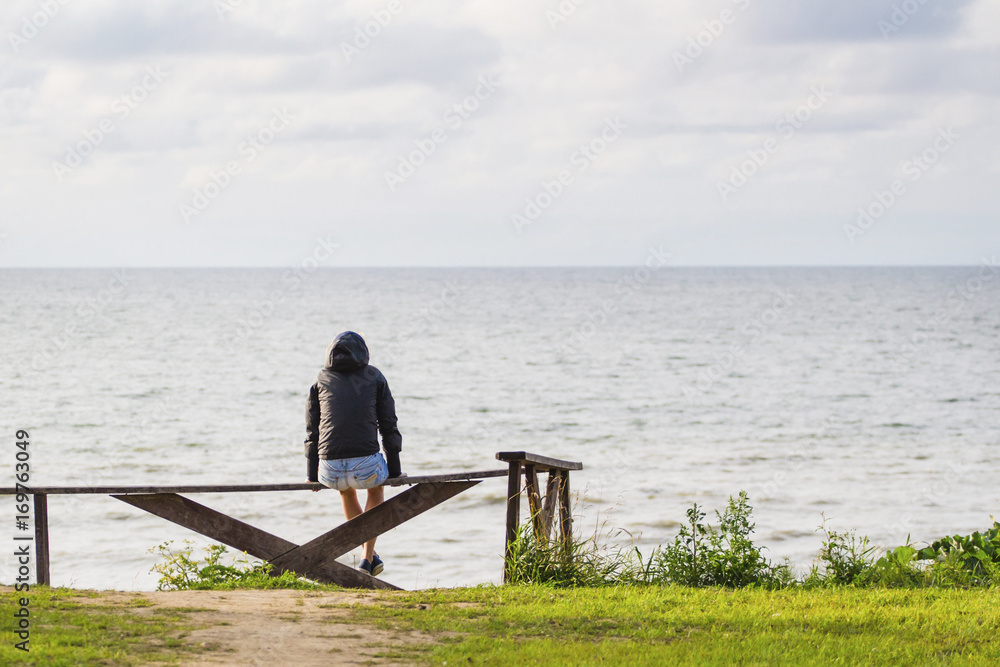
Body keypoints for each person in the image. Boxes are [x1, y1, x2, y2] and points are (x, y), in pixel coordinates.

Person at [305, 331, 402, 576]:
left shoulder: (320, 379)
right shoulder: (374, 376)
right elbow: (388, 424)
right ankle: (367, 557)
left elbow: (312, 430)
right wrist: (396, 471)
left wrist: (311, 475)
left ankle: (369, 556)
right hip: (367, 467)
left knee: (346, 491)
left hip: (330, 470)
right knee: (376, 487)